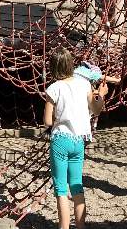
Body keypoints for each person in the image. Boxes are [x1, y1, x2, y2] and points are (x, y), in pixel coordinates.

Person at [44, 47, 108, 229]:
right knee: (77, 184)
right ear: (72, 64)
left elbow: (48, 121)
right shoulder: (84, 84)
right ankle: (80, 226)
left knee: (61, 189)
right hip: (79, 141)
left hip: (60, 141)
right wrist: (100, 96)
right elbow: (96, 110)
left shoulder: (53, 88)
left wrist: (59, 117)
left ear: (53, 68)